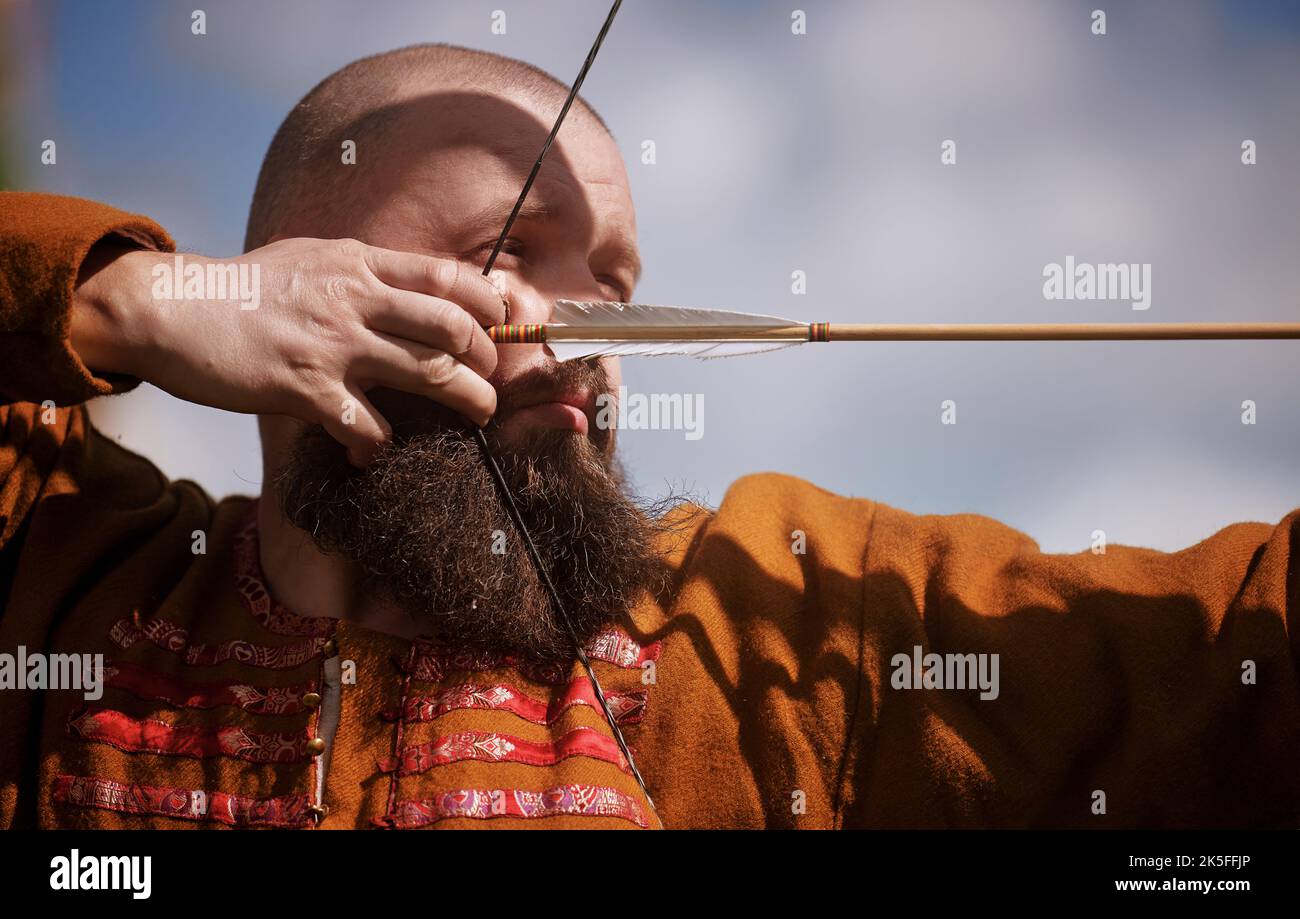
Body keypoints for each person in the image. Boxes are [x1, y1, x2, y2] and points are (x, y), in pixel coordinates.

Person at [0, 44, 1296, 830]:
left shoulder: (762, 625)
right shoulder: (74, 577)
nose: (585, 346)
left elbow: (1246, 641)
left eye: (610, 292)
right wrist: (135, 295)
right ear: (297, 277)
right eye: (508, 255)